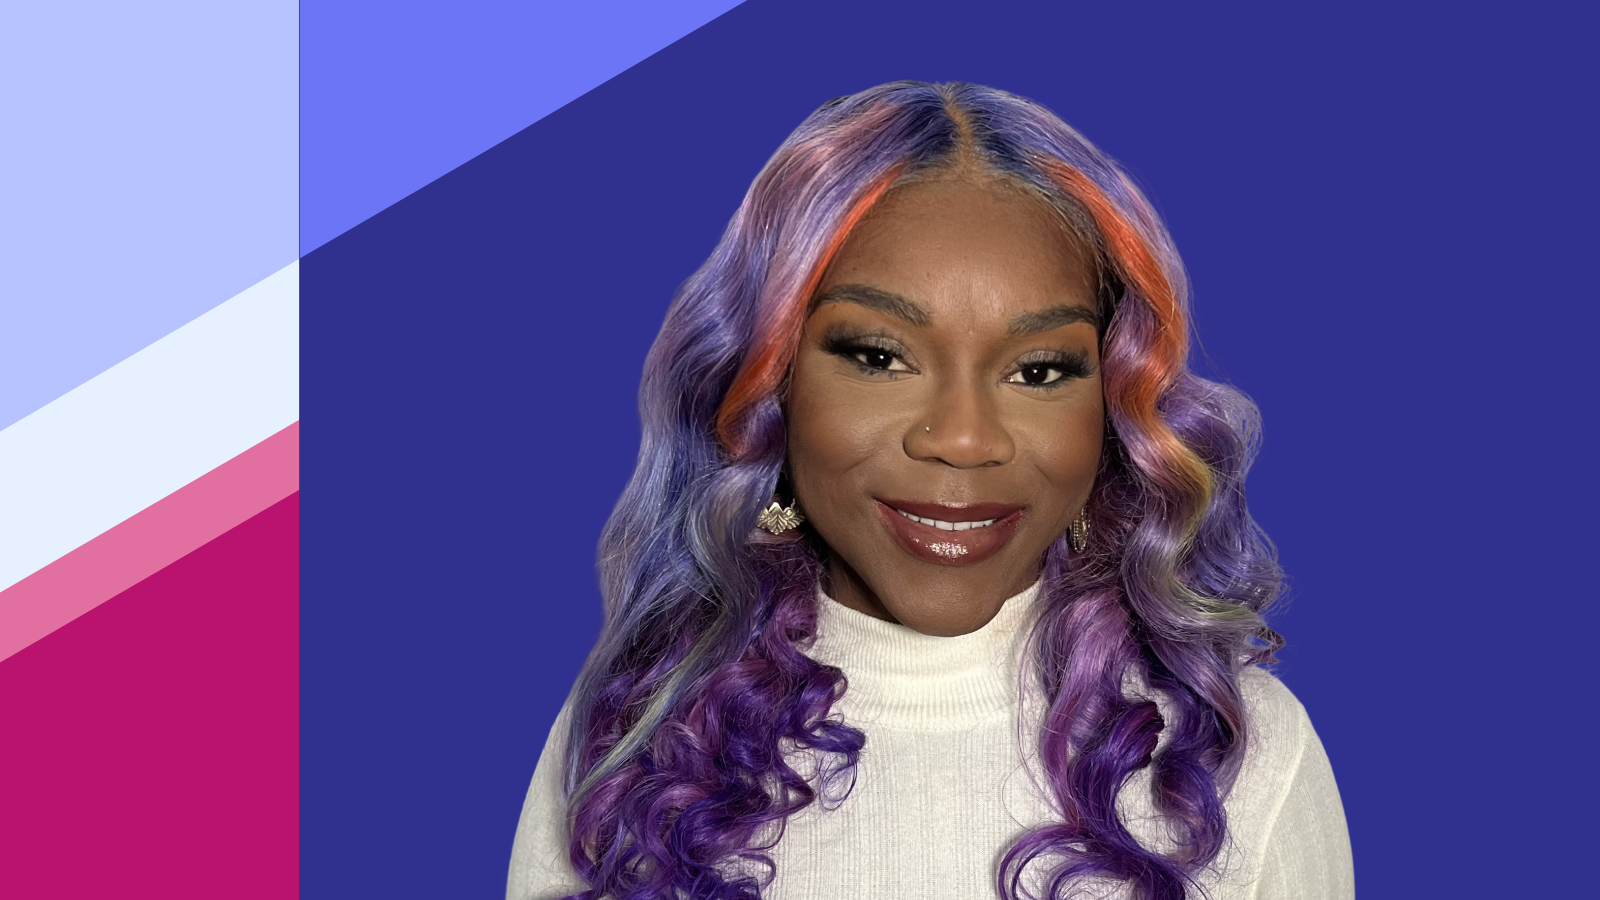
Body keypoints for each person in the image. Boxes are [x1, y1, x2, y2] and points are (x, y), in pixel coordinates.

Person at [507, 81, 1353, 900]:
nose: (961, 439)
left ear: (1114, 404)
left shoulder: (1235, 757)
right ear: (771, 379)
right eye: (878, 356)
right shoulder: (636, 741)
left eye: (1039, 369)